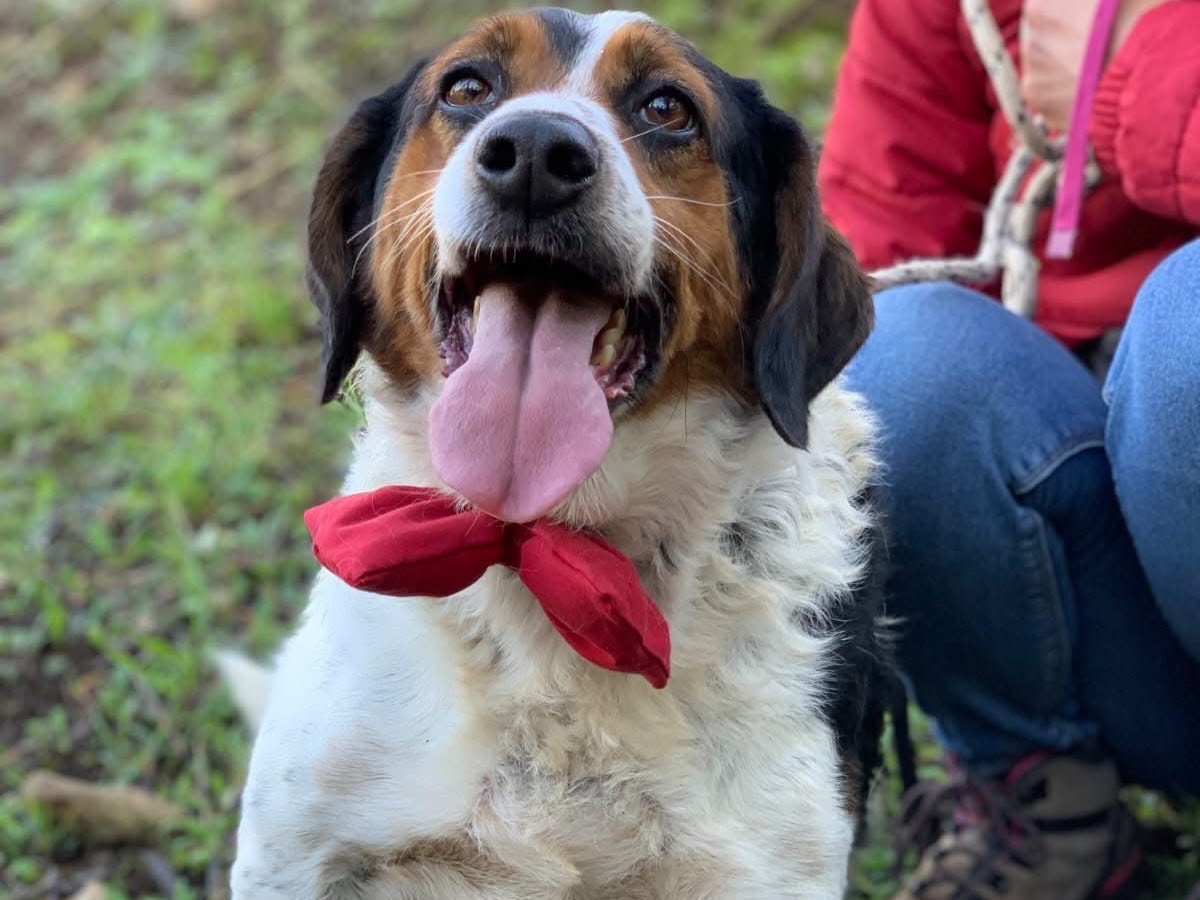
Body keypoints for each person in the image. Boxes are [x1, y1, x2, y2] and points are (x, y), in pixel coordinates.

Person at [817, 0, 1200, 897]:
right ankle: (1046, 808)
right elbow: (881, 240)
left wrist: (1134, 78)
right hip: (1108, 602)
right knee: (889, 357)